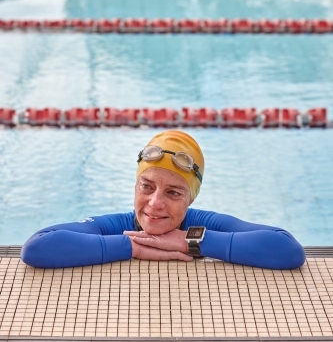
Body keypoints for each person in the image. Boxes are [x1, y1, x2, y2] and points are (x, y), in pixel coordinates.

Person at [21, 131, 305, 269]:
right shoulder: (120, 225)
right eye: (147, 187)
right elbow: (37, 247)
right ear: (135, 185)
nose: (155, 204)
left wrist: (188, 241)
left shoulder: (201, 223)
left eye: (173, 192)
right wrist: (133, 246)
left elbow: (287, 249)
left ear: (190, 198)